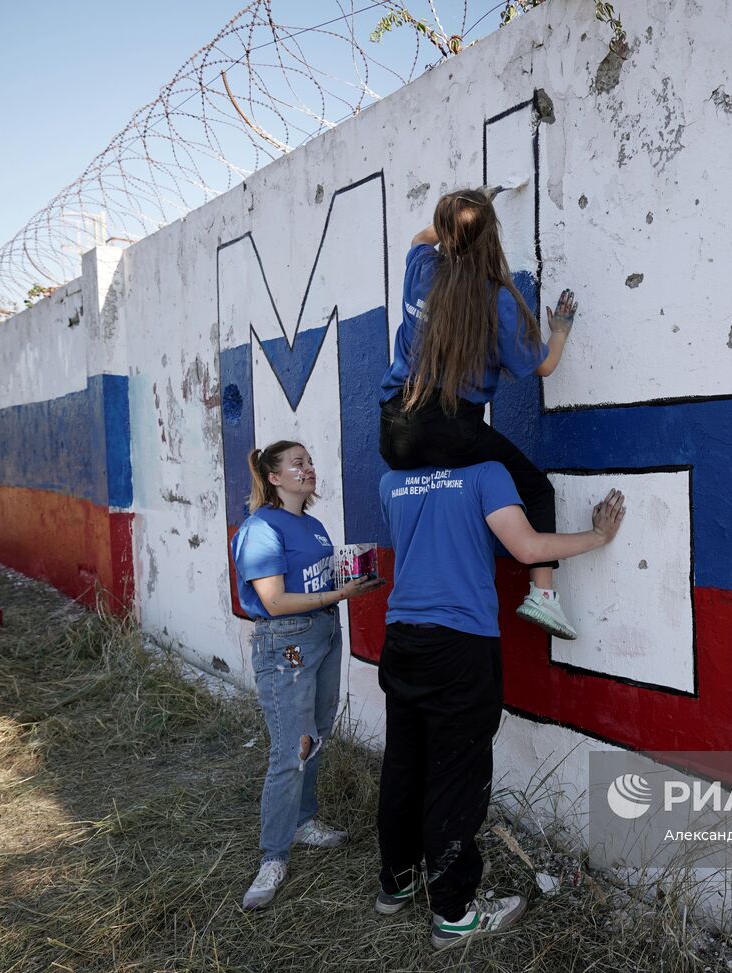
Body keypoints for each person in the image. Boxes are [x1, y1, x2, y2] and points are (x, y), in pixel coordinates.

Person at [373, 460, 625, 950]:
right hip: (459, 644)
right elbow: (527, 546)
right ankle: (453, 913)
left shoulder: (392, 481)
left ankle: (396, 882)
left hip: (402, 638)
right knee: (456, 776)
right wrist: (596, 537)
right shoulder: (484, 473)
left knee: (404, 765)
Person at [378, 185, 585, 640]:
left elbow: (419, 238)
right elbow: (545, 366)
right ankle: (543, 597)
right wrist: (561, 332)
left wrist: (462, 214)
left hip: (394, 433)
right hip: (453, 430)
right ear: (490, 237)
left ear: (447, 234)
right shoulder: (498, 300)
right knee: (536, 489)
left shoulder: (421, 270)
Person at [230, 440, 384, 910]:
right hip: (288, 642)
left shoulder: (313, 527)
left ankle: (303, 820)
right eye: (298, 464)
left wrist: (350, 581)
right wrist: (338, 597)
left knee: (316, 735)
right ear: (274, 477)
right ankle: (273, 856)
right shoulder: (260, 528)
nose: (309, 469)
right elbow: (274, 601)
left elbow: (313, 583)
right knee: (290, 748)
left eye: (310, 461)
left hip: (323, 633)